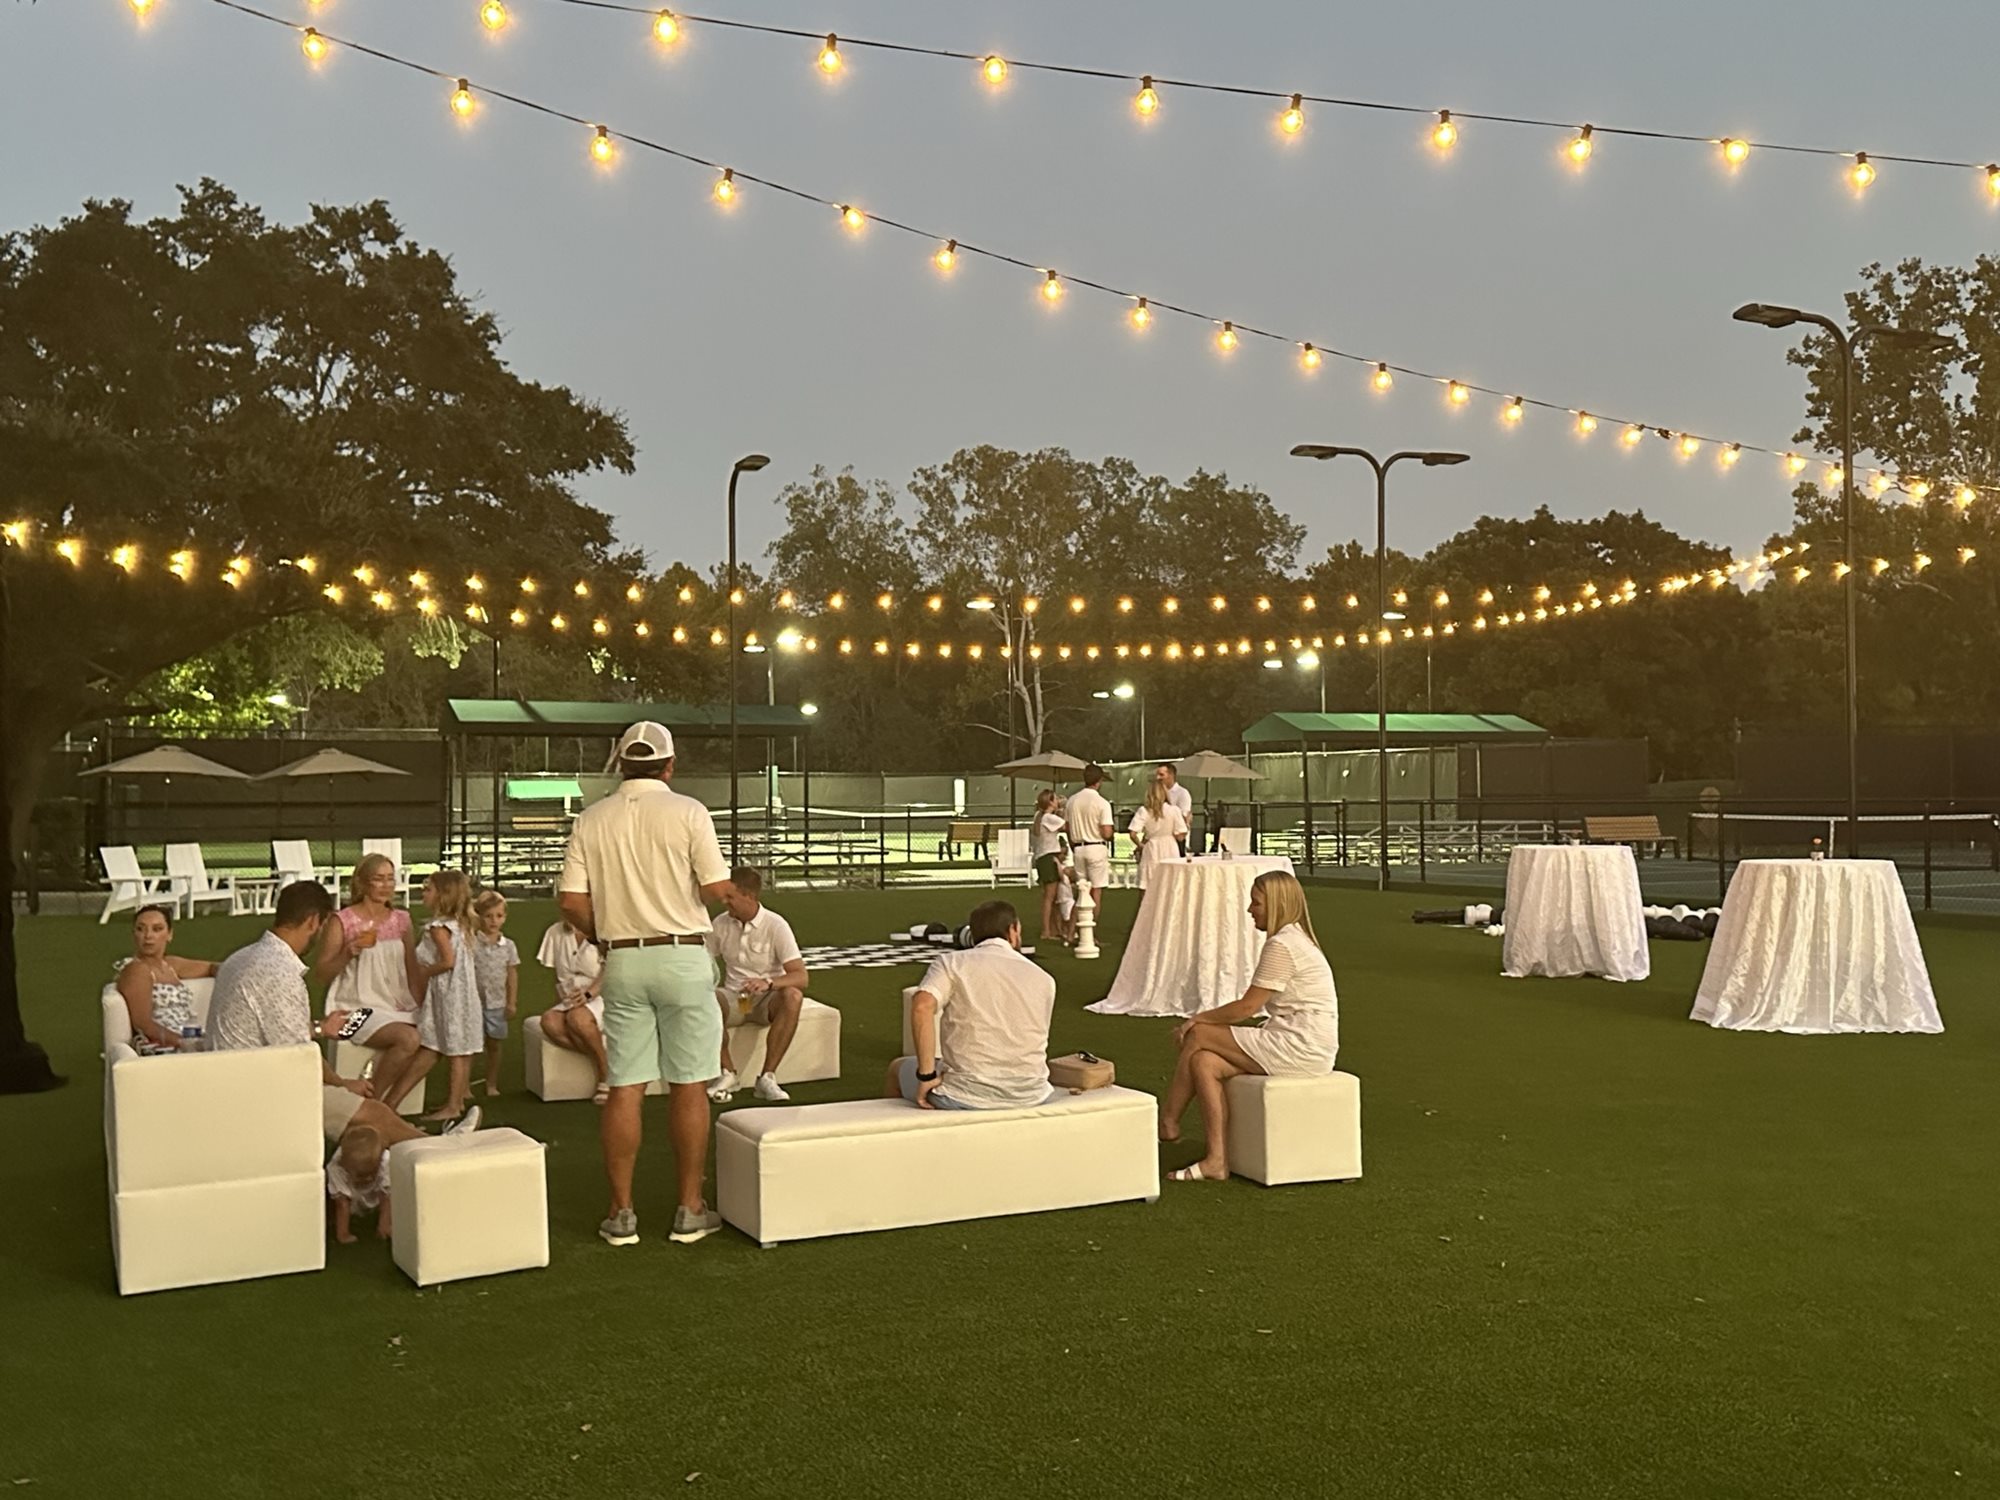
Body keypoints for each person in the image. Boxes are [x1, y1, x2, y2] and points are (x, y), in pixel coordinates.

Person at [558, 721, 732, 1247]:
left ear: (621, 763)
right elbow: (715, 887)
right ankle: (689, 1207)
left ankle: (621, 1212)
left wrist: (605, 934)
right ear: (670, 765)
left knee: (625, 1085)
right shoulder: (690, 812)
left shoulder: (591, 819)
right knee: (690, 1083)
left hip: (624, 959)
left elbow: (571, 902)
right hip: (681, 955)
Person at [206, 881, 470, 1154]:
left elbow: (271, 1026)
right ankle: (447, 1151)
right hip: (262, 1088)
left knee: (369, 1116)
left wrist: (320, 1029)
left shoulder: (241, 957)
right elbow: (299, 1055)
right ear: (313, 921)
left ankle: (389, 1161)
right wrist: (342, 1085)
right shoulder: (281, 973)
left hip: (234, 1076)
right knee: (373, 1115)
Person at [1159, 870, 1338, 1182]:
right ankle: (1216, 1161)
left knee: (1199, 1035)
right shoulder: (1293, 939)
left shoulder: (1283, 945)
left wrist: (1197, 1019)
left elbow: (1246, 1008)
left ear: (1277, 904)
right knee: (1204, 1062)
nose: (1249, 909)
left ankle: (1168, 1122)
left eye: (1256, 903)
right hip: (1300, 1041)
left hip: (1301, 1046)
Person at [885, 899, 1056, 1110]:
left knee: (896, 1068)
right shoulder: (1044, 978)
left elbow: (922, 1007)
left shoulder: (952, 963)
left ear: (972, 935)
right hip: (1032, 1092)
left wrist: (926, 1075)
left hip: (965, 1093)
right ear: (1013, 931)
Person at [314, 855, 423, 1109]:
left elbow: (412, 969)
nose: (386, 885)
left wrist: (422, 1003)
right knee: (408, 1039)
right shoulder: (343, 921)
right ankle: (372, 1104)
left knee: (436, 1036)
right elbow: (322, 974)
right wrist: (348, 952)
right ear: (363, 883)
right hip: (356, 1008)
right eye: (379, 879)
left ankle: (391, 1105)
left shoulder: (401, 920)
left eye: (390, 879)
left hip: (397, 1003)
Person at [707, 867, 810, 1104]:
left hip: (766, 1000)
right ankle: (727, 1073)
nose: (724, 902)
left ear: (750, 896)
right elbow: (705, 960)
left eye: (730, 896)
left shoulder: (776, 925)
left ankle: (767, 1077)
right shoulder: (720, 923)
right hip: (735, 998)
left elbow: (801, 976)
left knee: (793, 996)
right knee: (706, 999)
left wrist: (768, 983)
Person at [403, 870, 483, 1124]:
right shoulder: (462, 925)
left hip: (449, 993)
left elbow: (448, 961)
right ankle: (458, 1099)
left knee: (455, 1049)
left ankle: (453, 1105)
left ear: (442, 895)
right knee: (462, 1047)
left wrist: (424, 972)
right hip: (464, 992)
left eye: (428, 890)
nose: (423, 893)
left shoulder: (439, 928)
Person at [115, 905, 218, 1052]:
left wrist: (235, 973)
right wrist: (188, 1043)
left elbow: (211, 967)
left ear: (169, 934)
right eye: (141, 929)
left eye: (157, 929)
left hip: (188, 1037)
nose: (148, 935)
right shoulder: (137, 970)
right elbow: (144, 1025)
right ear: (134, 934)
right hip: (163, 1046)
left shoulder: (170, 964)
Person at [536, 914, 609, 1104]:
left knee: (577, 1018)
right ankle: (604, 1059)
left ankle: (605, 1075)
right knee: (549, 1021)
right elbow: (557, 977)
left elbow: (611, 970)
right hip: (571, 998)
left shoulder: (603, 930)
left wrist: (589, 994)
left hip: (602, 994)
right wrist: (563, 1001)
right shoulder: (554, 932)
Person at [470, 891, 519, 1098]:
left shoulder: (508, 946)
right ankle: (463, 1085)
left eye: (499, 916)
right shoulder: (471, 943)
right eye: (488, 916)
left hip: (497, 1003)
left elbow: (512, 974)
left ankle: (491, 1083)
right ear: (479, 917)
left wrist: (511, 1002)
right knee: (471, 1045)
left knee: (495, 1045)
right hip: (473, 1002)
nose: (493, 921)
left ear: (505, 917)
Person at [1064, 764, 1117, 914]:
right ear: (1099, 781)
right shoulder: (1102, 803)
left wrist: (1073, 845)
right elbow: (1106, 832)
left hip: (1078, 848)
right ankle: (1091, 925)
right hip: (1096, 846)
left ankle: (1074, 925)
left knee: (1081, 890)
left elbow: (1067, 827)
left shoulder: (1072, 800)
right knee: (1095, 891)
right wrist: (1110, 834)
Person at [327, 1125, 393, 1244]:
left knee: (394, 1194)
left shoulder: (386, 1160)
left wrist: (384, 1225)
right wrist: (343, 1234)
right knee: (332, 1202)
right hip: (352, 1196)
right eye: (361, 1175)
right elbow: (342, 1203)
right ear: (345, 1167)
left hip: (377, 1194)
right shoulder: (336, 1167)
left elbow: (386, 1196)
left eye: (371, 1173)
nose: (368, 1178)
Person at [1128, 781, 1189, 893]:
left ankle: (1146, 905)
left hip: (1152, 847)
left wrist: (1140, 845)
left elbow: (1132, 833)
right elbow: (1181, 836)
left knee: (1147, 884)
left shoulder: (1144, 811)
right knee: (1170, 884)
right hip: (1170, 847)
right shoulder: (1174, 810)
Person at [1029, 789, 1071, 946]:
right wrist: (1064, 809)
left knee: (1049, 896)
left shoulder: (1039, 816)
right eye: (1055, 799)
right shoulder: (1048, 818)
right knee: (1050, 897)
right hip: (1049, 857)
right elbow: (1066, 827)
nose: (1058, 800)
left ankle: (1053, 929)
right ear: (1050, 802)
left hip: (1042, 857)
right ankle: (1046, 931)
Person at [1155, 762, 1194, 854]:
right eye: (1157, 775)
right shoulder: (1156, 794)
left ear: (1171, 775)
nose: (1158, 778)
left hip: (1175, 839)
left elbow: (1184, 818)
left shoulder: (1182, 793)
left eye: (1161, 775)